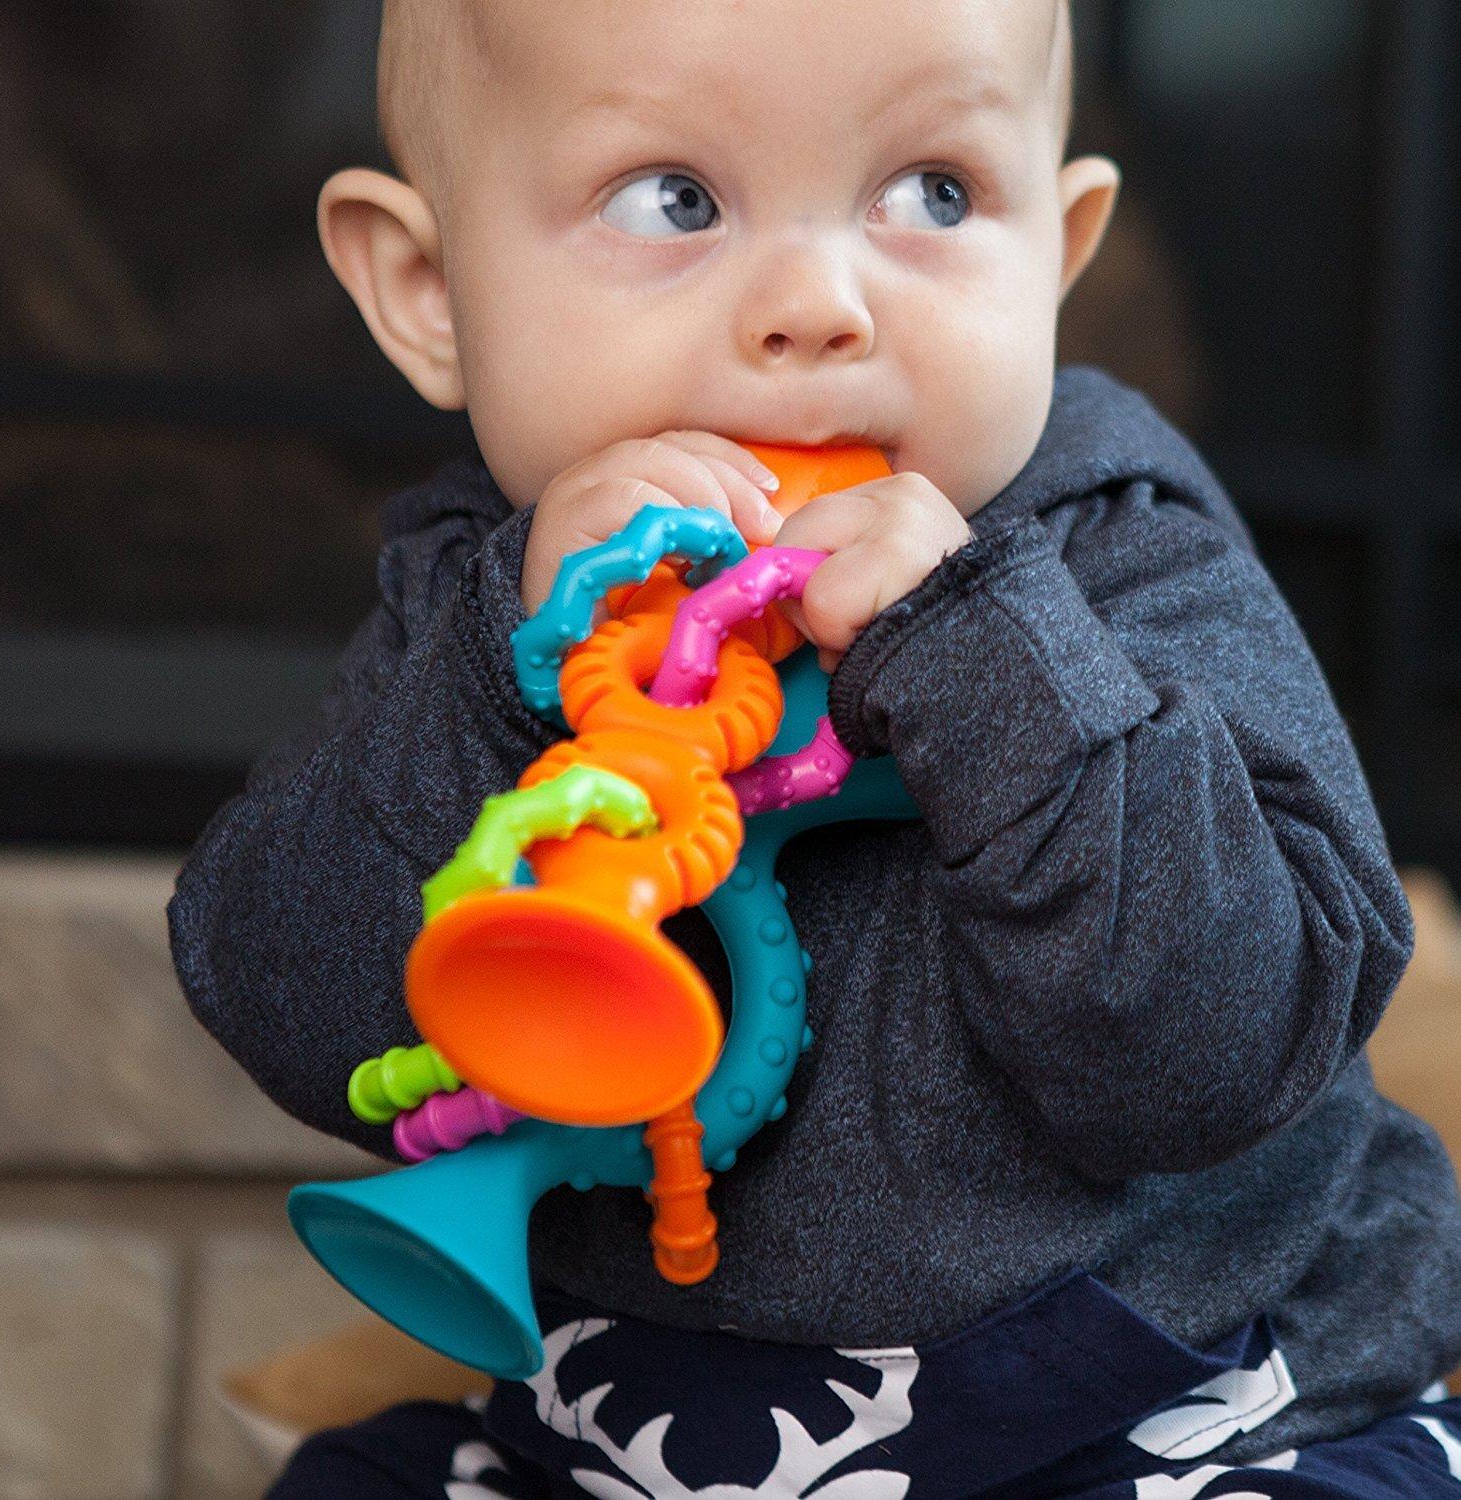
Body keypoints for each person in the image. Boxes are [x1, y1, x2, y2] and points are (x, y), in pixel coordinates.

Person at [168, 0, 1461, 1493]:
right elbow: (292, 1002)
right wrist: (506, 691)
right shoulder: (479, 602)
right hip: (641, 1433)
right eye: (673, 200)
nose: (816, 306)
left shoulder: (1121, 556)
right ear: (429, 294)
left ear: (1055, 257)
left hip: (1178, 1408)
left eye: (934, 193)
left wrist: (985, 660)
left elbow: (1220, 1052)